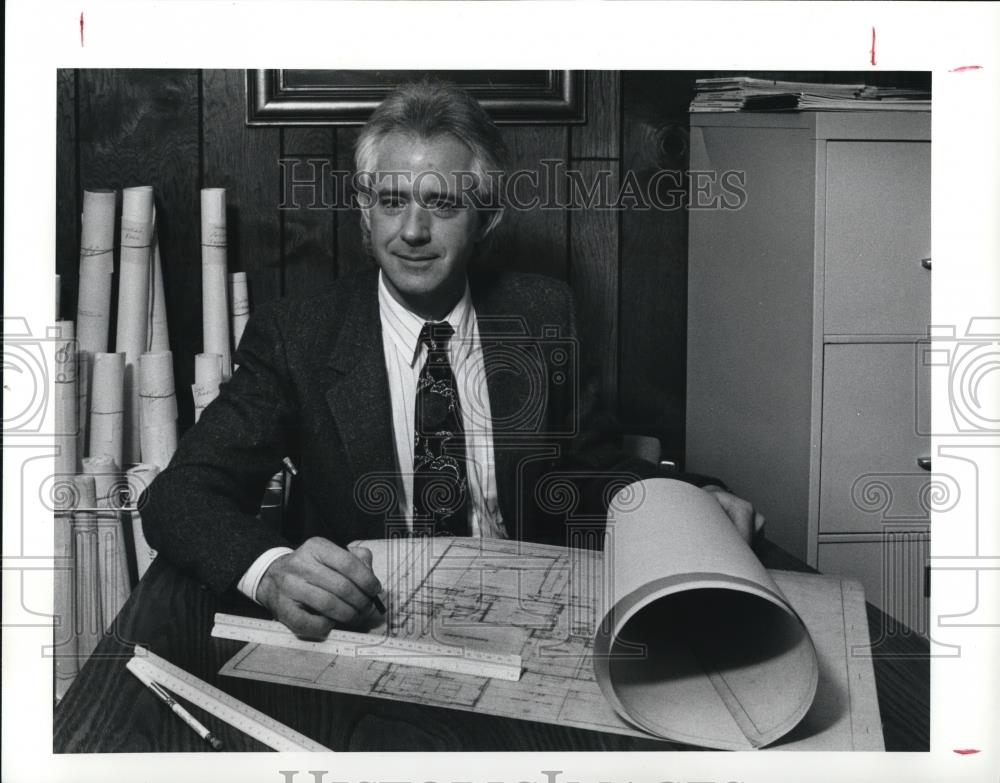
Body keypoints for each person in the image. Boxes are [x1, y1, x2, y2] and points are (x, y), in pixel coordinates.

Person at [141, 80, 761, 639]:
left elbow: (588, 470)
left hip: (525, 617)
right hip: (370, 624)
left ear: (486, 217)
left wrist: (692, 499)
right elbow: (180, 495)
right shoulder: (298, 335)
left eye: (442, 204)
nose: (411, 230)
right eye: (390, 200)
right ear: (363, 210)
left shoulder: (542, 315)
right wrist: (273, 572)